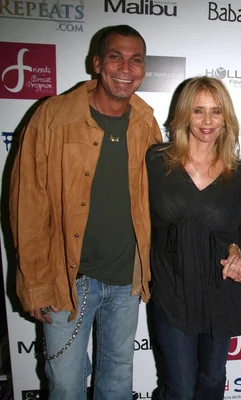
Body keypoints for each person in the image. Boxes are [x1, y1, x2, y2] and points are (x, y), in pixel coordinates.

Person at [9, 25, 162, 400]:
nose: (125, 68)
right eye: (115, 57)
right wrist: (37, 283)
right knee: (65, 386)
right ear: (96, 63)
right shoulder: (53, 117)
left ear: (143, 69)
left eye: (135, 60)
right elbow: (25, 205)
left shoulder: (146, 122)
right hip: (67, 281)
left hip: (126, 281)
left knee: (116, 383)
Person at [146, 77, 241, 400]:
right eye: (198, 111)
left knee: (212, 379)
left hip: (217, 290)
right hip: (171, 287)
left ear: (226, 118)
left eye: (216, 112)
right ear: (184, 114)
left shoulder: (238, 171)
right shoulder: (156, 160)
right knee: (179, 387)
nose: (207, 121)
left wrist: (238, 252)